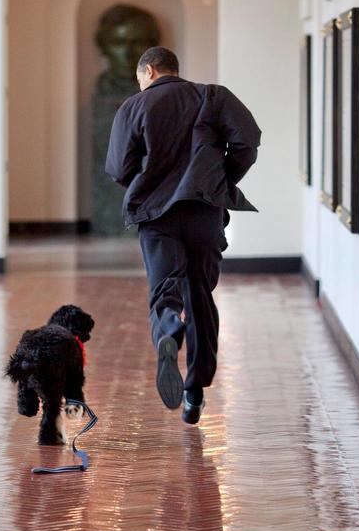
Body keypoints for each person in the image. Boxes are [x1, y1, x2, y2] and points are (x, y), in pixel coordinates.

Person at [105, 46, 261, 424]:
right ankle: (194, 392)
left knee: (165, 288)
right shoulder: (212, 96)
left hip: (157, 215)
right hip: (203, 210)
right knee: (200, 294)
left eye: (140, 78)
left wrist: (146, 183)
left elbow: (118, 166)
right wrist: (218, 178)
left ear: (151, 70)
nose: (140, 85)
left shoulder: (133, 107)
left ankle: (169, 328)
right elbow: (248, 141)